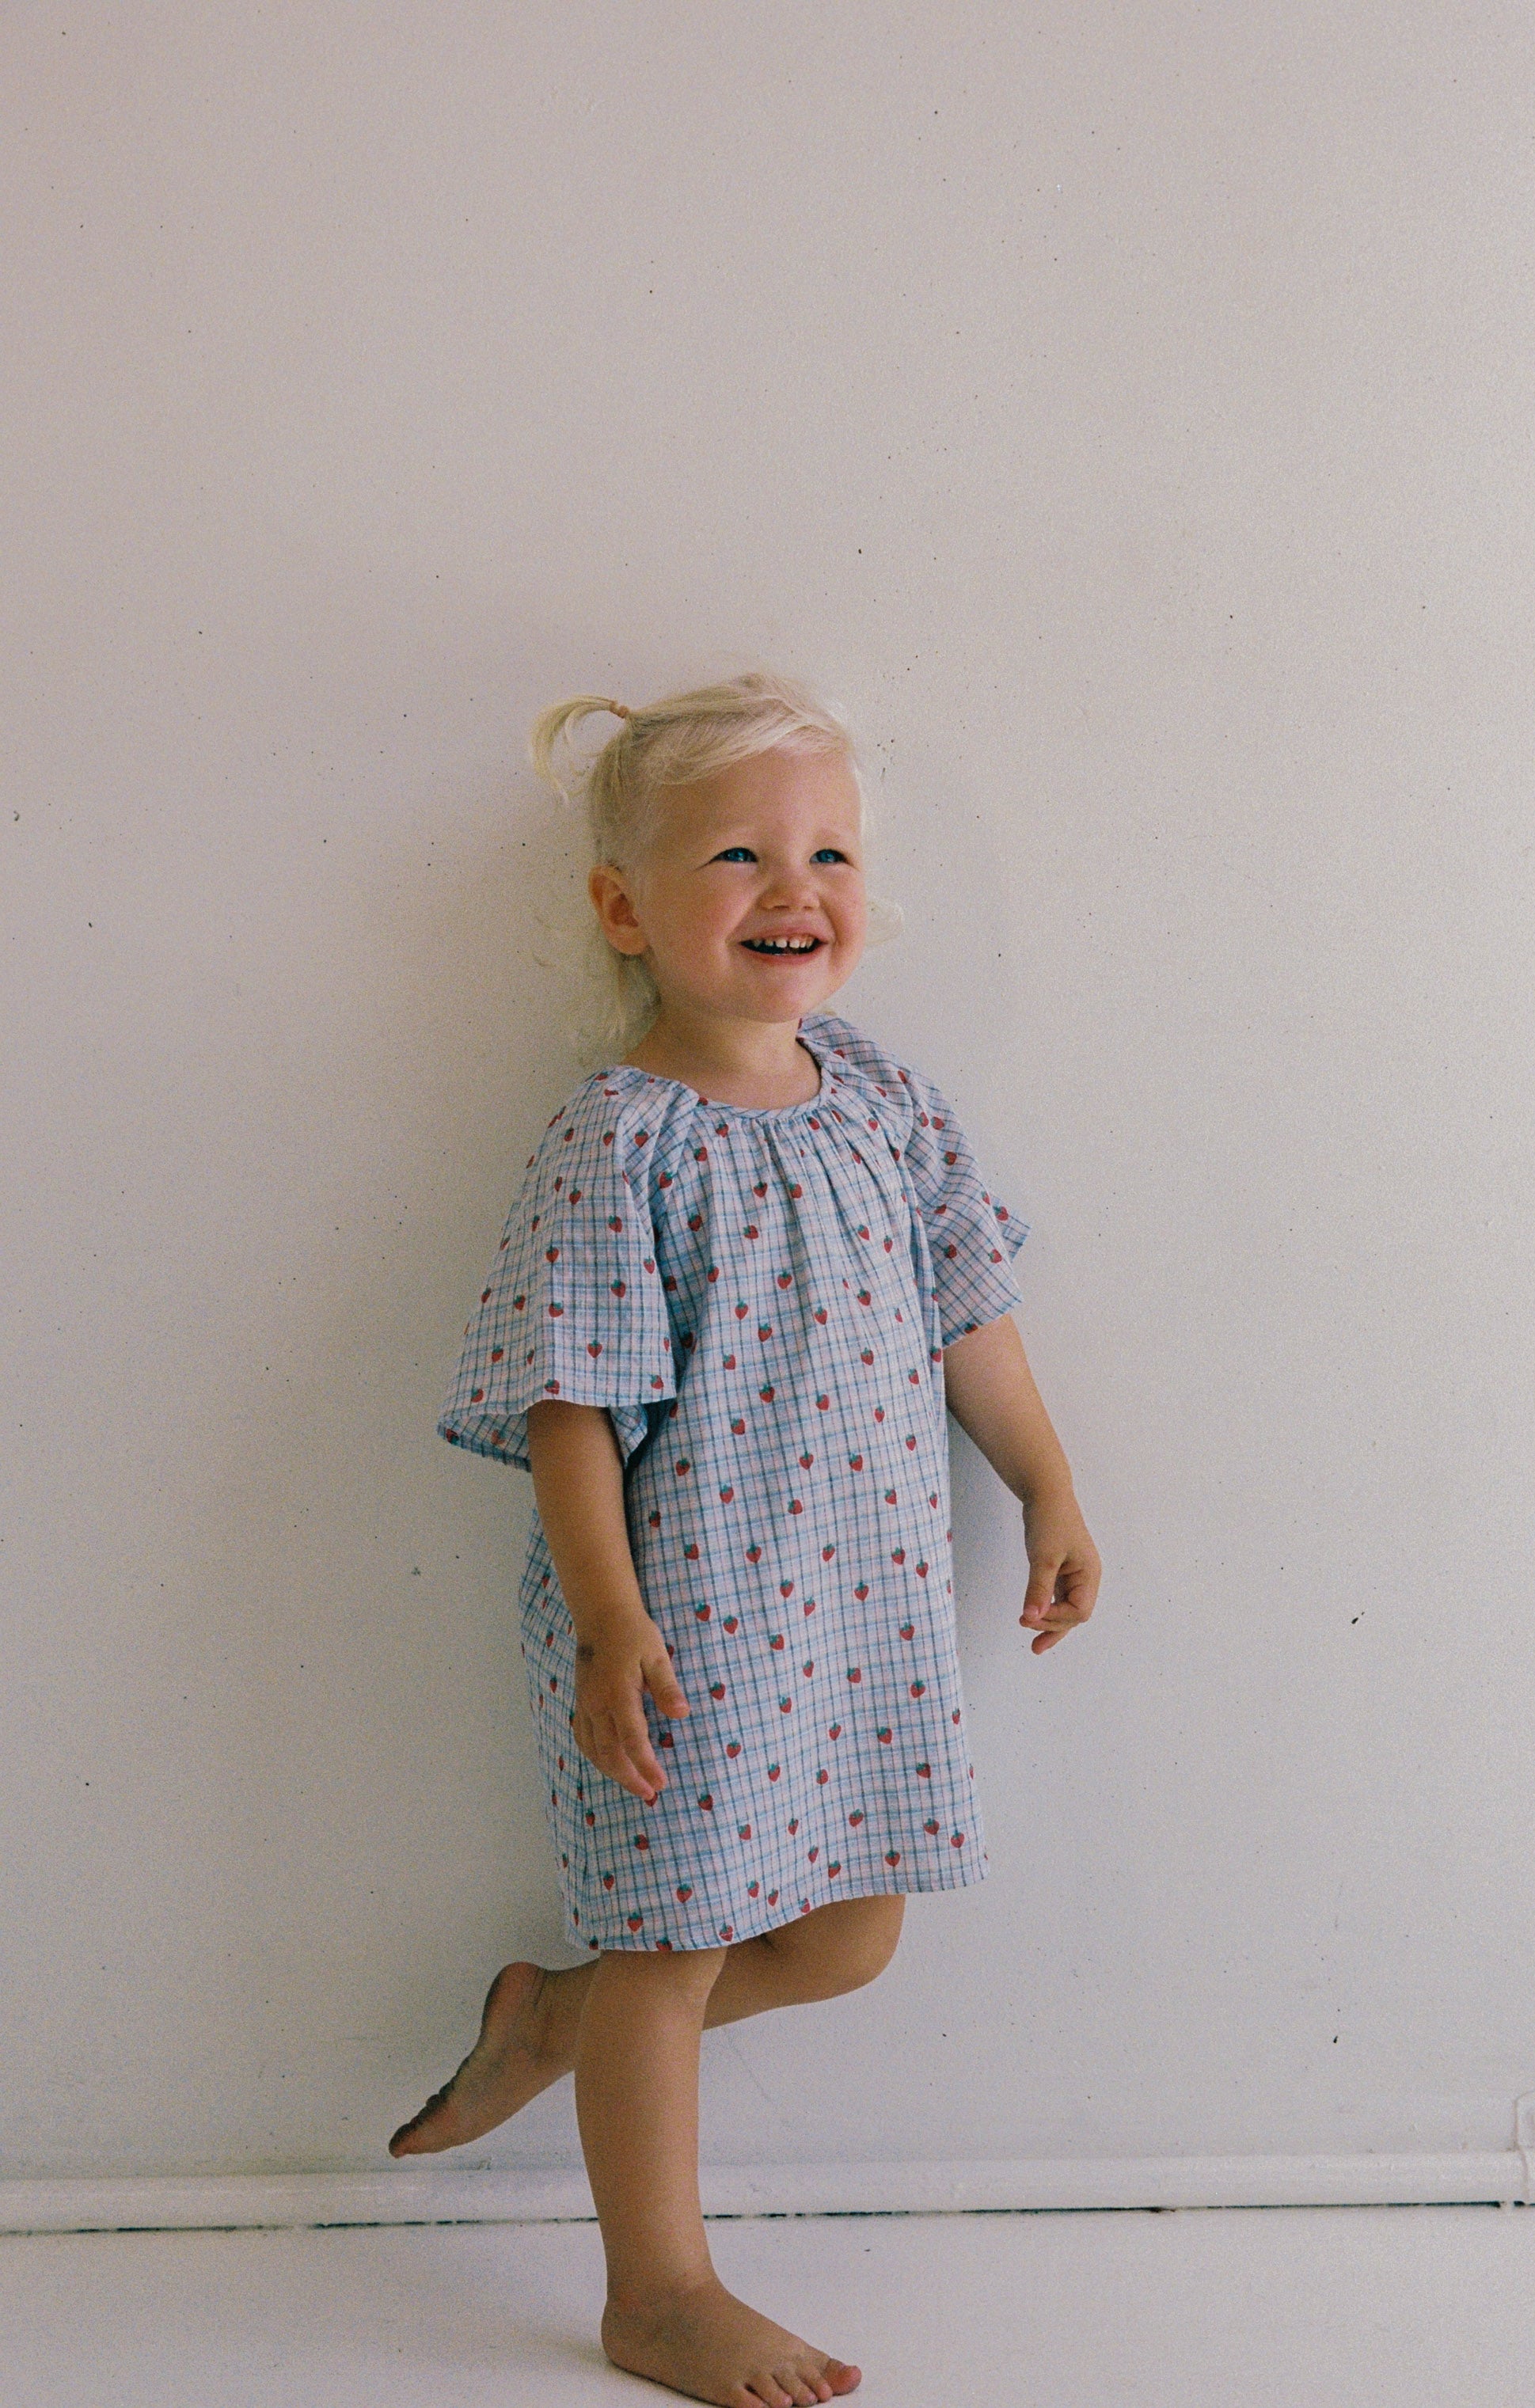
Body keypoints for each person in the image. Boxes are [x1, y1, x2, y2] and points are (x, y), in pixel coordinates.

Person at [389, 670, 1102, 2407]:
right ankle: (657, 2289)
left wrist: (1048, 1484)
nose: (796, 891)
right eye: (737, 854)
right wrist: (610, 1621)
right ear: (626, 908)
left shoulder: (877, 1096)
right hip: (686, 1621)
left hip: (857, 1617)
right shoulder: (620, 1142)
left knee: (853, 1935)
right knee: (673, 1948)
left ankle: (550, 2024)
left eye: (829, 851)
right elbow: (573, 1404)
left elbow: (969, 1310)